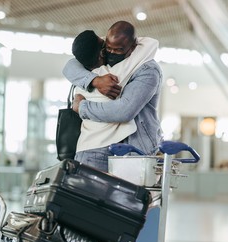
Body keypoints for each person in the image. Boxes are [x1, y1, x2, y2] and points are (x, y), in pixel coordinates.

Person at [63, 21, 163, 172]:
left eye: (118, 50)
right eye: (108, 48)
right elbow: (70, 65)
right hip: (94, 147)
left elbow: (124, 111)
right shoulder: (96, 65)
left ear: (133, 46)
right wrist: (94, 81)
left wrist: (82, 106)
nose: (111, 53)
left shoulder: (146, 67)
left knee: (128, 195)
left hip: (134, 148)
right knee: (87, 195)